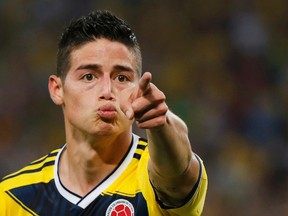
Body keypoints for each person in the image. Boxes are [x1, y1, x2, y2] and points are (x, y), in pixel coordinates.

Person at [0, 10, 207, 215]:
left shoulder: (153, 180)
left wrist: (162, 123)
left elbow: (179, 172)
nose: (107, 91)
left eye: (122, 78)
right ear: (57, 89)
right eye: (89, 76)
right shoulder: (13, 198)